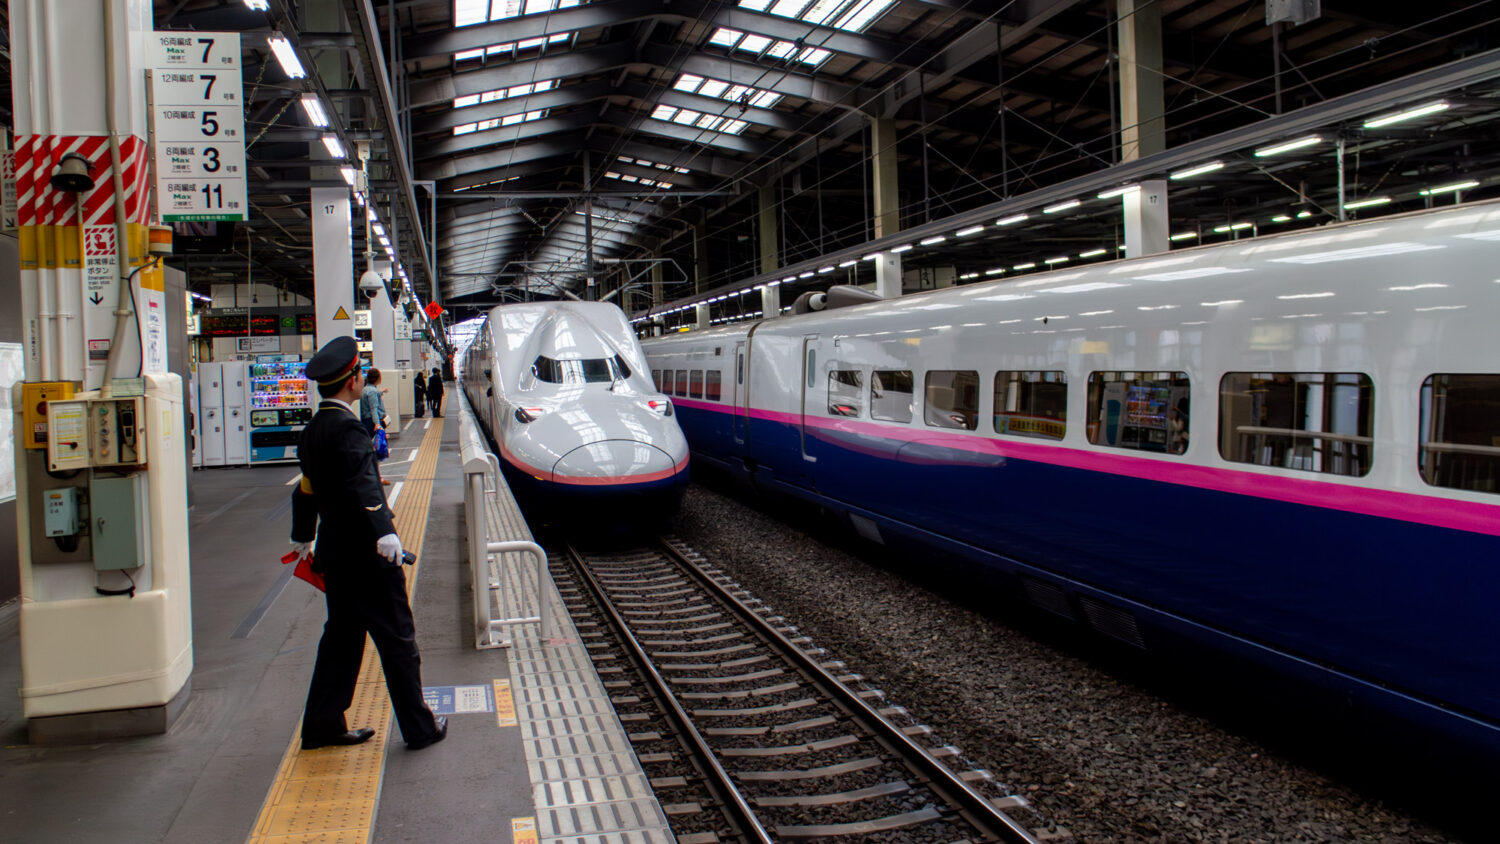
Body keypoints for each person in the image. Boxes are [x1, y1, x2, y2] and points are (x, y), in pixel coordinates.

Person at [288, 336, 448, 752]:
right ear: (353, 382)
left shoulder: (313, 430)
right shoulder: (348, 429)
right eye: (359, 374)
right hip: (370, 560)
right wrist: (386, 532)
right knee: (398, 641)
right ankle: (420, 728)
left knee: (340, 642)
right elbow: (364, 485)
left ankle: (322, 725)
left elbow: (305, 489)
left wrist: (304, 534)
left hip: (335, 558)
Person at [360, 367, 388, 436]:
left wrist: (381, 391)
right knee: (378, 444)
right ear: (378, 378)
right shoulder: (372, 391)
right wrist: (377, 423)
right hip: (371, 421)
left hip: (366, 420)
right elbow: (373, 409)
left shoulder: (365, 389)